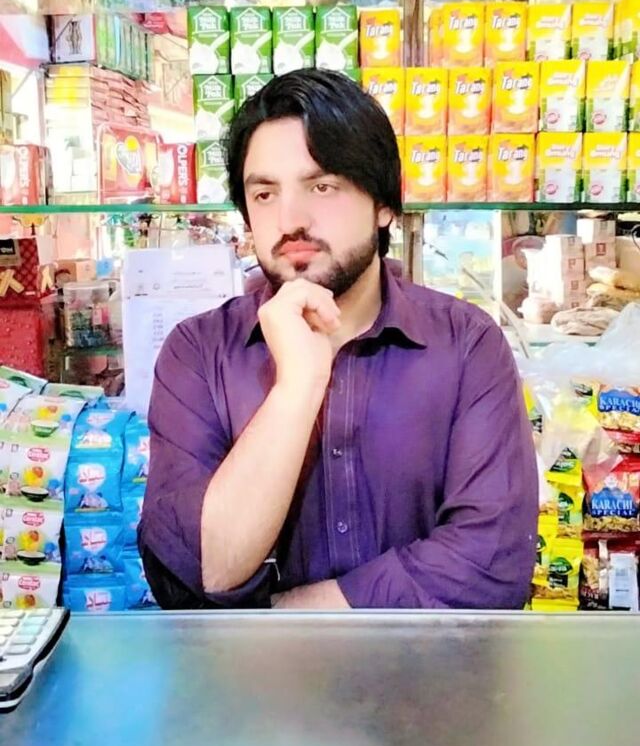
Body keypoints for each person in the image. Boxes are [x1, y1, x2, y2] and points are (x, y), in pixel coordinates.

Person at [139, 69, 538, 610]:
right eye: (264, 193)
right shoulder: (198, 352)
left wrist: (290, 614)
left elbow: (490, 566)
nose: (291, 219)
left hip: (424, 668)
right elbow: (194, 576)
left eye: (322, 186)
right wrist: (297, 387)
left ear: (383, 204)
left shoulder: (466, 344)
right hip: (246, 673)